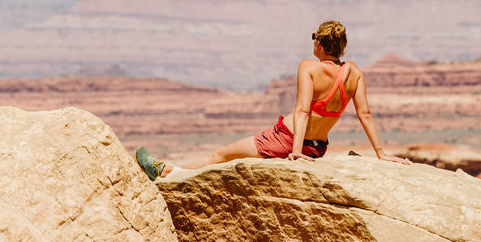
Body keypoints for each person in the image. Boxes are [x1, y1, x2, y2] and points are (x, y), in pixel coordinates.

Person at [135, 20, 410, 179]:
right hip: (318, 147)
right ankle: (169, 170)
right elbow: (366, 115)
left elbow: (302, 112)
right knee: (227, 160)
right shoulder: (355, 73)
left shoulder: (309, 67)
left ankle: (165, 171)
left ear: (319, 45)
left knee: (219, 155)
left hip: (287, 140)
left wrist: (296, 151)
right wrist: (381, 153)